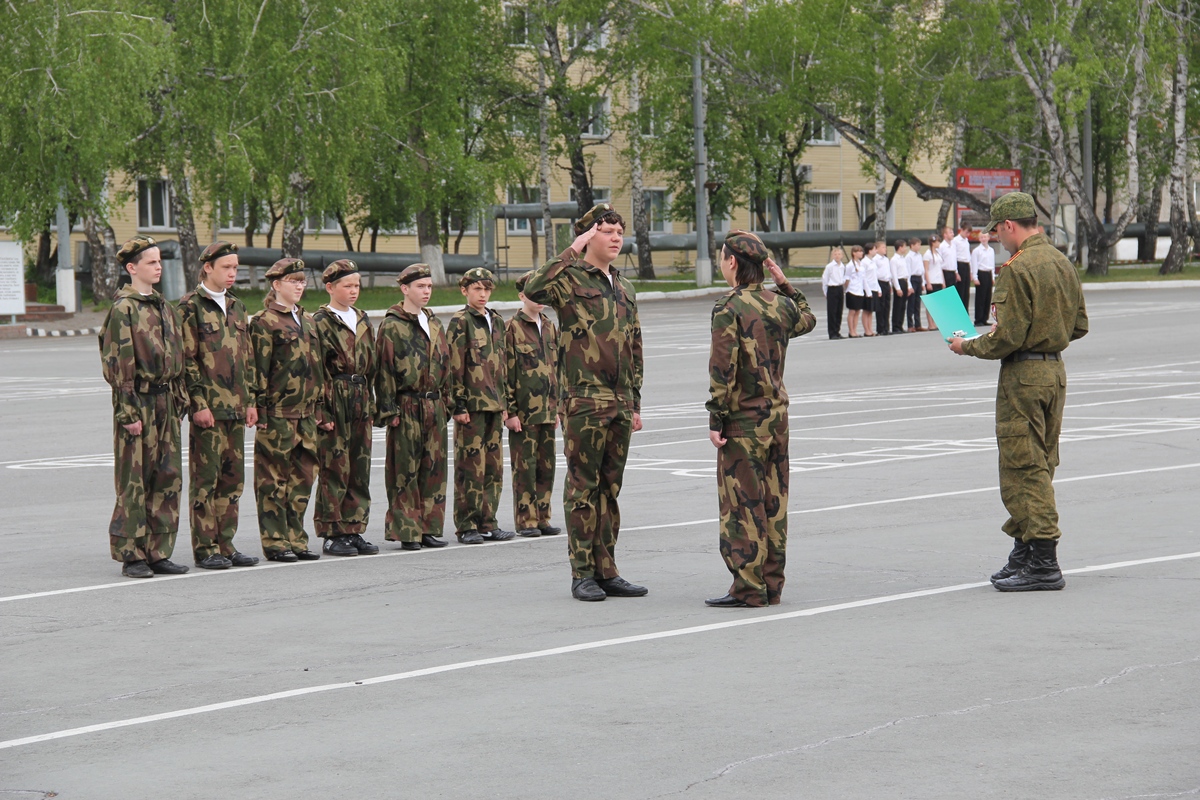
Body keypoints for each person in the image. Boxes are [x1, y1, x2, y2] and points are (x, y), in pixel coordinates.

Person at [948, 192, 1088, 592]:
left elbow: (1004, 339)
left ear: (1010, 226)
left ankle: (1044, 561)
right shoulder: (1062, 262)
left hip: (1023, 377)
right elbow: (1079, 326)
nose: (997, 239)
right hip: (1054, 373)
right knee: (1039, 461)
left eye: (997, 231)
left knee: (1023, 468)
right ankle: (1025, 550)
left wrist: (968, 345)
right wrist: (1046, 336)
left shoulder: (1017, 267)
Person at [523, 202, 647, 602]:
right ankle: (582, 574)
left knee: (610, 489)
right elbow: (532, 289)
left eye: (618, 232)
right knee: (582, 488)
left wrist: (635, 401)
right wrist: (570, 251)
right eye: (607, 232)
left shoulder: (624, 286)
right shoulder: (569, 278)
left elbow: (635, 345)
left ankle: (607, 569)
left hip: (619, 402)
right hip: (583, 399)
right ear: (588, 235)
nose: (615, 239)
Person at [705, 231, 816, 607]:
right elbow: (809, 318)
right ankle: (771, 584)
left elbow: (723, 367)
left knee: (742, 504)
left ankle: (748, 588)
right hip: (777, 418)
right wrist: (783, 282)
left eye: (722, 258)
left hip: (743, 420)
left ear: (732, 262)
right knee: (774, 503)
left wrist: (715, 417)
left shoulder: (728, 307)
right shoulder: (779, 305)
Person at [99, 236, 189, 578]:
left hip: (166, 400)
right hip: (139, 400)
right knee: (134, 479)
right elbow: (118, 364)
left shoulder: (164, 307)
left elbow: (177, 357)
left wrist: (178, 399)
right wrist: (128, 412)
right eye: (151, 262)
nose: (158, 266)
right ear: (131, 268)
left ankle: (158, 551)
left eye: (159, 261)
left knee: (167, 477)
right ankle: (131, 553)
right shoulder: (125, 309)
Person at [179, 241, 260, 570]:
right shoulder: (190, 307)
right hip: (209, 411)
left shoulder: (237, 307)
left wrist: (252, 399)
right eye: (226, 267)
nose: (232, 273)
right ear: (208, 268)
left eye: (236, 268)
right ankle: (206, 548)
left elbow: (247, 356)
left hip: (236, 409)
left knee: (232, 481)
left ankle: (226, 544)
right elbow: (187, 359)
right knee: (206, 481)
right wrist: (198, 403)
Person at [250, 258, 328, 562]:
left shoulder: (307, 321)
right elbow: (258, 370)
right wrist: (260, 410)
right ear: (276, 284)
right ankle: (275, 541)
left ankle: (296, 538)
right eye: (293, 281)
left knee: (302, 479)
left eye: (302, 281)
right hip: (278, 414)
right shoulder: (264, 321)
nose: (299, 286)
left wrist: (319, 406)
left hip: (306, 414)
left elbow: (317, 368)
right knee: (272, 481)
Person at [374, 264, 450, 550]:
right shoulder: (392, 324)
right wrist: (389, 409)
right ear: (405, 289)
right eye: (421, 287)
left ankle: (429, 527)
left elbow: (446, 365)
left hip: (434, 405)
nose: (426, 291)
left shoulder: (433, 323)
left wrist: (448, 403)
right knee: (404, 470)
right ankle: (406, 530)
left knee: (433, 469)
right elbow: (384, 370)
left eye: (429, 287)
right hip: (407, 403)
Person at [312, 260, 379, 557]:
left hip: (360, 394)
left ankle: (354, 528)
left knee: (359, 467)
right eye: (347, 286)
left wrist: (372, 400)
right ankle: (332, 531)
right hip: (335, 394)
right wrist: (321, 410)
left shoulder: (362, 318)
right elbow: (316, 369)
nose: (354, 291)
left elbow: (373, 363)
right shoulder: (320, 321)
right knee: (334, 467)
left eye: (357, 286)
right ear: (330, 287)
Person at [447, 267, 514, 544]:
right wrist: (458, 405)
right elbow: (454, 366)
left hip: (495, 405)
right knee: (469, 468)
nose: (483, 294)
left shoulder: (496, 321)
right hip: (472, 406)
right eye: (477, 289)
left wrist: (507, 403)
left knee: (493, 468)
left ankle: (488, 521)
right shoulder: (460, 322)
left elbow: (503, 365)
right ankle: (467, 525)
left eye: (486, 289)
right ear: (465, 291)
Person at [504, 272, 562, 538]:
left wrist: (558, 407)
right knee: (524, 467)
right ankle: (526, 520)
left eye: (543, 294)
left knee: (546, 466)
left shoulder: (550, 327)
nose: (540, 299)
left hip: (548, 410)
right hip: (524, 412)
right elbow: (505, 372)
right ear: (521, 296)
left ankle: (543, 516)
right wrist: (511, 412)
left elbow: (557, 369)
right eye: (533, 294)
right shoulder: (511, 328)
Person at [843, 244, 870, 338]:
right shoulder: (850, 265)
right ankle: (851, 331)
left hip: (860, 291)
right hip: (852, 291)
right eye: (859, 251)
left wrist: (867, 291)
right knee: (852, 311)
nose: (861, 253)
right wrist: (847, 287)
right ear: (854, 253)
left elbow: (863, 278)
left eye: (862, 251)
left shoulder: (861, 264)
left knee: (858, 311)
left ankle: (855, 330)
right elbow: (847, 278)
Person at [970, 230, 996, 326]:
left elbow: (992, 264)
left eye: (985, 237)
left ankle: (985, 318)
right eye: (982, 237)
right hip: (981, 273)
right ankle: (978, 319)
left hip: (988, 273)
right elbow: (974, 265)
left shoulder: (991, 250)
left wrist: (993, 276)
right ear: (979, 239)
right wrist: (975, 277)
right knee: (980, 297)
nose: (984, 239)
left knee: (987, 297)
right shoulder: (977, 251)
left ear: (989, 238)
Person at [820, 246, 846, 339]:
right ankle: (832, 333)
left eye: (839, 254)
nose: (837, 256)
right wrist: (826, 292)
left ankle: (837, 331)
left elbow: (843, 277)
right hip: (832, 289)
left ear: (842, 255)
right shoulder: (830, 267)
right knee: (832, 312)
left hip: (839, 288)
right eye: (835, 254)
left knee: (839, 311)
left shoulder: (842, 266)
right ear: (832, 256)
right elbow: (825, 280)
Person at [888, 239, 910, 335]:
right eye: (904, 246)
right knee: (897, 305)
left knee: (902, 306)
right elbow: (894, 275)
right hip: (899, 282)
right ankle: (895, 326)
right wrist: (897, 288)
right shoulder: (894, 259)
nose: (905, 248)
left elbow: (906, 273)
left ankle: (900, 324)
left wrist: (908, 285)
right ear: (900, 247)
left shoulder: (903, 258)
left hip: (904, 281)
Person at [925, 231, 946, 330]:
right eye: (938, 242)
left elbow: (939, 268)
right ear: (933, 243)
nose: (939, 244)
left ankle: (935, 322)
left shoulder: (938, 253)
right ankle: (930, 323)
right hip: (932, 281)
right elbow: (926, 269)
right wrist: (928, 282)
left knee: (937, 303)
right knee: (930, 303)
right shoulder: (927, 254)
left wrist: (943, 282)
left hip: (938, 280)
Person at [872, 240, 893, 335]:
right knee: (880, 306)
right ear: (877, 249)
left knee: (887, 306)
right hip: (879, 283)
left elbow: (888, 272)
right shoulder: (875, 259)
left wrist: (890, 284)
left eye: (885, 247)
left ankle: (886, 327)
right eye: (883, 247)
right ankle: (880, 328)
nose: (885, 249)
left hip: (886, 282)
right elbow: (875, 274)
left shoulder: (886, 259)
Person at [906, 237, 927, 332]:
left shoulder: (919, 255)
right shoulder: (909, 257)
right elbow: (908, 271)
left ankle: (918, 324)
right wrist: (909, 285)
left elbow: (921, 269)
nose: (919, 247)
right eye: (917, 245)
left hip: (918, 278)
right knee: (911, 302)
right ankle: (910, 325)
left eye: (920, 245)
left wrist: (923, 282)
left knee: (917, 302)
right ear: (912, 245)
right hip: (912, 278)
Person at [951, 222, 972, 309]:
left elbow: (968, 256)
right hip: (960, 264)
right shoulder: (955, 241)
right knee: (961, 290)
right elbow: (954, 256)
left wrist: (970, 271)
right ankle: (960, 311)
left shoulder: (966, 241)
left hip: (966, 265)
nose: (968, 234)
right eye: (967, 232)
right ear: (962, 230)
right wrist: (956, 272)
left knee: (966, 291)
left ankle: (965, 312)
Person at [939, 226, 958, 296]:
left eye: (952, 232)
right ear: (945, 235)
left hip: (953, 272)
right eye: (950, 232)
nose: (952, 234)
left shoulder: (953, 245)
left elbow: (954, 260)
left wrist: (956, 272)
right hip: (946, 272)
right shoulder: (941, 246)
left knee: (953, 294)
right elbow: (940, 263)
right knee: (947, 294)